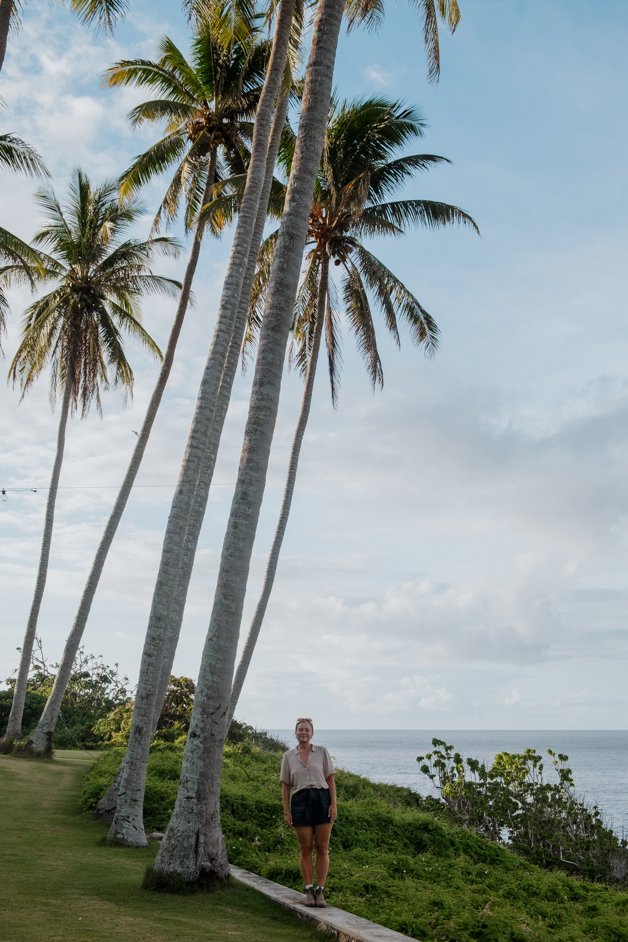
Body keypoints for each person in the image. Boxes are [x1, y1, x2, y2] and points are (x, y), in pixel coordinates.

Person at [280, 717, 337, 908]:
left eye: (307, 730)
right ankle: (309, 890)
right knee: (305, 848)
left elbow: (330, 780)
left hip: (322, 800)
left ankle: (320, 891)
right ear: (295, 733)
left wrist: (333, 805)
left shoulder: (322, 752)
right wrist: (286, 811)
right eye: (300, 730)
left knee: (322, 847)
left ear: (312, 733)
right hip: (300, 801)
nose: (303, 733)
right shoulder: (288, 756)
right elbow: (286, 785)